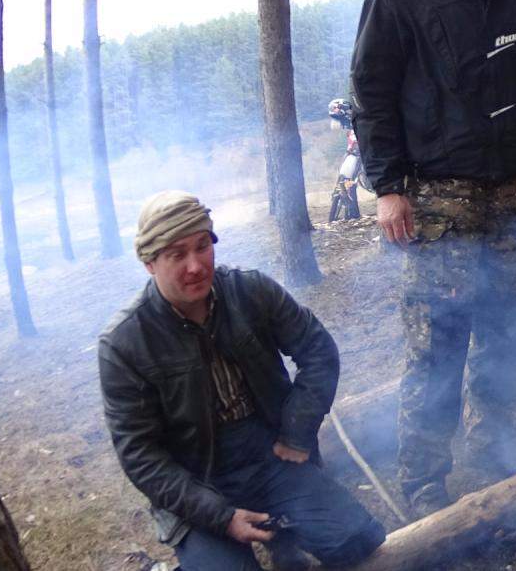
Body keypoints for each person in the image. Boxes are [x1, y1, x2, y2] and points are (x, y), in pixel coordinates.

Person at [349, 0, 516, 517]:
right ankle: (423, 479)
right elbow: (371, 93)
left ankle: (494, 445)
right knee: (437, 344)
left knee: (505, 333)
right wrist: (387, 186)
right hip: (437, 201)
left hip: (513, 194)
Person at [97, 191, 385, 570]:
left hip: (268, 455)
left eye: (203, 246)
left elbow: (318, 350)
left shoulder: (249, 291)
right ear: (150, 263)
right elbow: (140, 454)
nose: (196, 266)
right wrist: (222, 517)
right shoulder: (124, 342)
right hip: (195, 478)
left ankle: (284, 538)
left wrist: (296, 431)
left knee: (357, 540)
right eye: (177, 255)